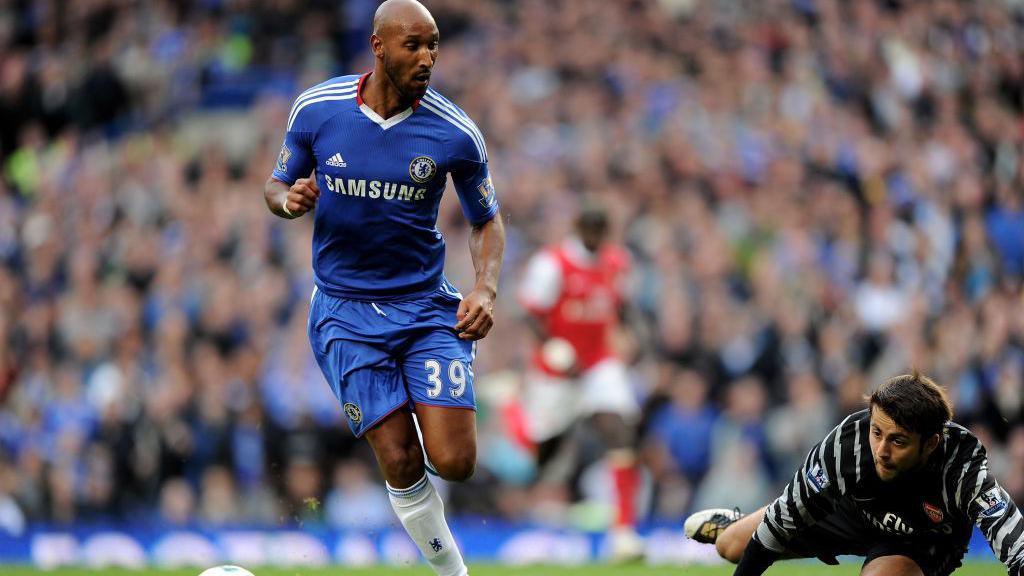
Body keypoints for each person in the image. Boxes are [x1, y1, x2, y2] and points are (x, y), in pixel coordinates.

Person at [263, 1, 505, 575]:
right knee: (398, 457)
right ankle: (454, 574)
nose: (427, 58)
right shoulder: (318, 109)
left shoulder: (455, 132)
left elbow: (486, 220)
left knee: (456, 461)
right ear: (378, 46)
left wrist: (486, 289)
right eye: (413, 45)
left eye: (433, 45)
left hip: (424, 307)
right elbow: (275, 186)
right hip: (344, 312)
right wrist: (288, 201)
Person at [684, 372, 1023, 576]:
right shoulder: (847, 445)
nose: (881, 450)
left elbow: (1012, 538)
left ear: (930, 443)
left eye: (898, 441)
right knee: (730, 547)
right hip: (849, 511)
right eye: (877, 432)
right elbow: (783, 521)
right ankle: (738, 524)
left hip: (920, 541)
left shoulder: (962, 468)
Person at [517, 198, 644, 561]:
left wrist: (634, 335)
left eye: (600, 231)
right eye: (590, 230)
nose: (596, 237)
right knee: (545, 451)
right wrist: (552, 347)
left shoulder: (616, 262)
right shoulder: (551, 264)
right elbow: (531, 315)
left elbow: (620, 306)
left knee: (620, 430)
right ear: (578, 228)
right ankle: (515, 412)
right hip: (555, 372)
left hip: (599, 363)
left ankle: (624, 532)